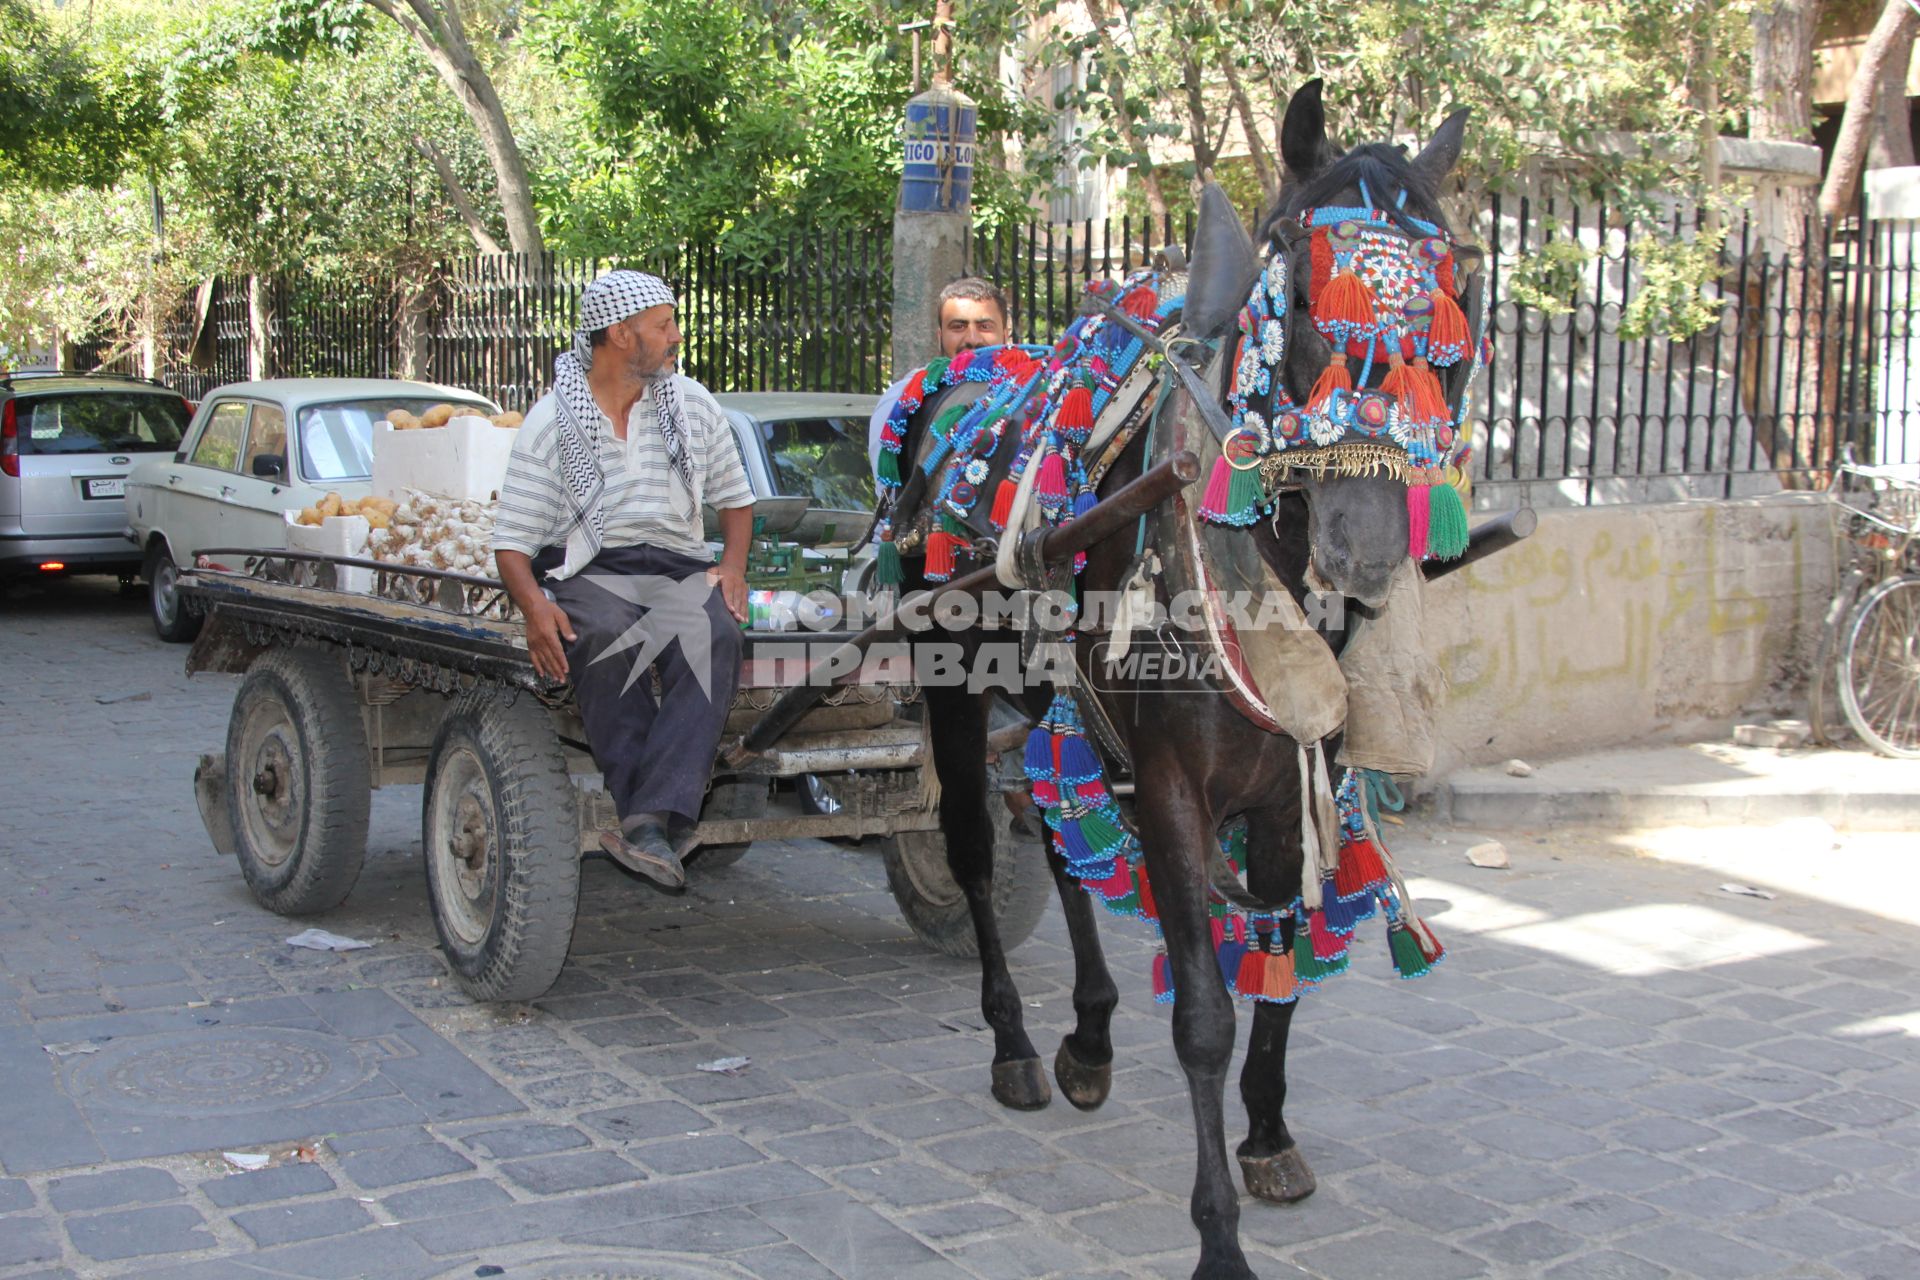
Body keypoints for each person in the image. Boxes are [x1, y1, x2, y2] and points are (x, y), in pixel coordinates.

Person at [493, 271, 754, 890]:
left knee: (714, 635)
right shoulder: (553, 419)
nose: (676, 337)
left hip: (675, 561)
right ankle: (653, 821)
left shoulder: (692, 404)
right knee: (607, 635)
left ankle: (646, 820)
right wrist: (534, 606)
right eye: (664, 325)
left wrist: (734, 565)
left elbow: (735, 501)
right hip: (588, 564)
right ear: (620, 334)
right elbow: (511, 541)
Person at [868, 276, 1011, 474]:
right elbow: (888, 494)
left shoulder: (1029, 393)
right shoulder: (904, 398)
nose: (972, 339)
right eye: (958, 326)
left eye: (984, 326)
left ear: (1005, 335)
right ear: (940, 336)